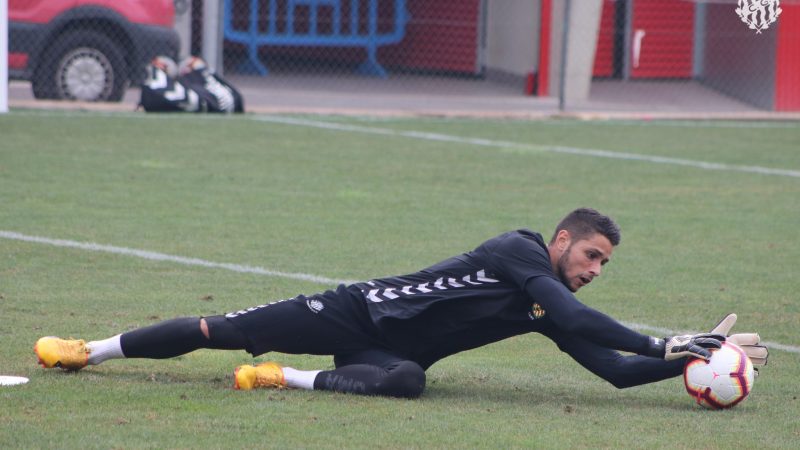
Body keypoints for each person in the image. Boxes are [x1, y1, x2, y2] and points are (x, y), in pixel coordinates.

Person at [34, 208, 768, 399]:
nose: (597, 271)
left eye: (605, 264)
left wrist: (695, 359)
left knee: (409, 382)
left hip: (388, 354)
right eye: (591, 256)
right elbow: (586, 324)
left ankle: (285, 379)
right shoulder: (517, 251)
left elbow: (606, 368)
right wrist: (657, 341)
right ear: (561, 239)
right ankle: (90, 350)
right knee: (215, 328)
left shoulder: (543, 304)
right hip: (355, 311)